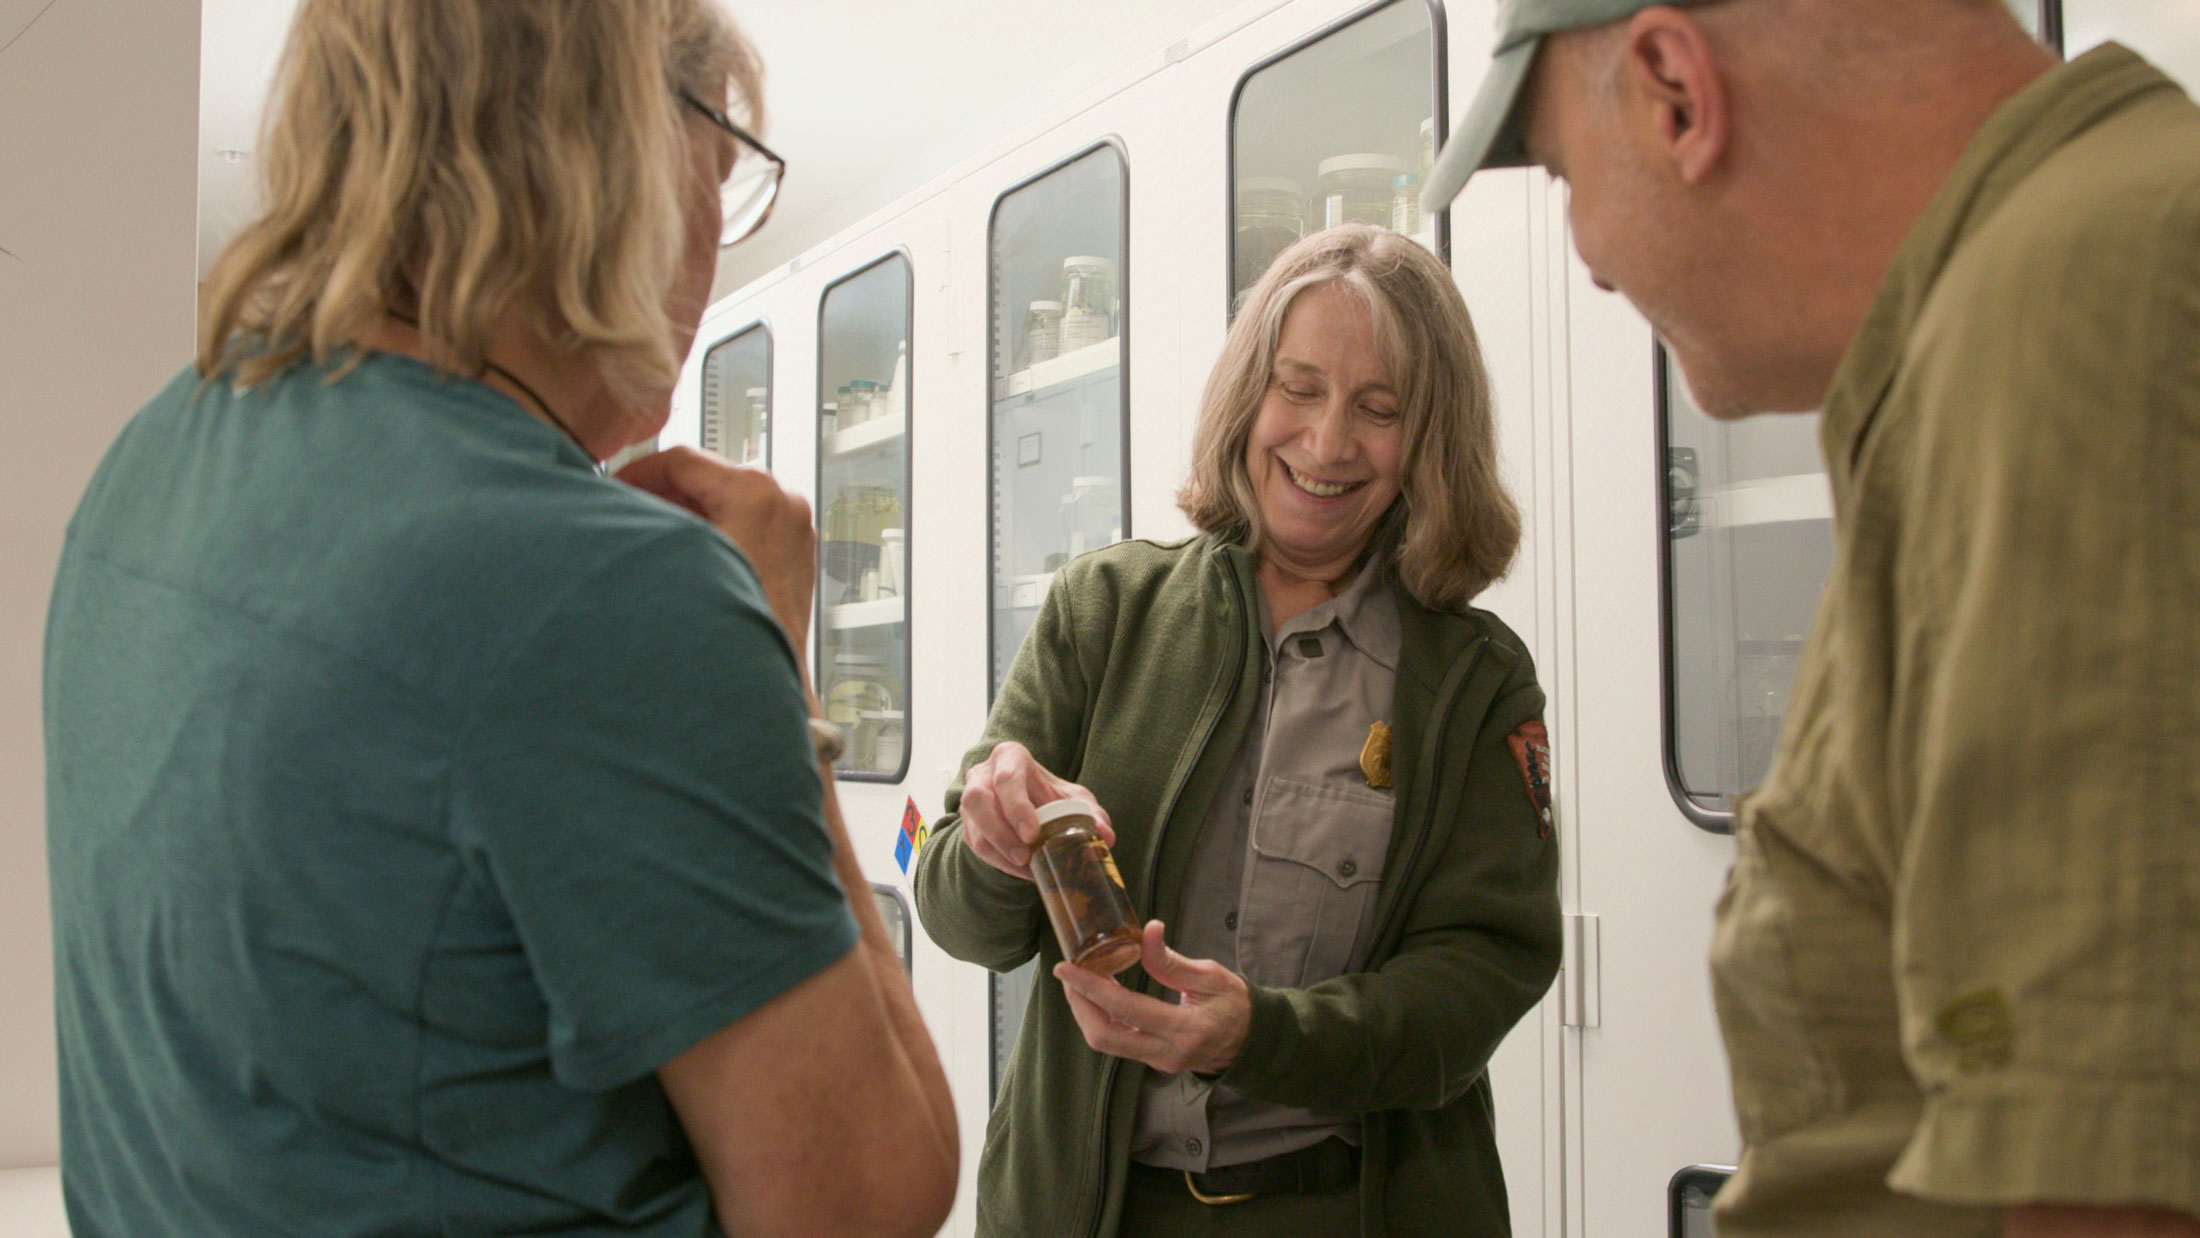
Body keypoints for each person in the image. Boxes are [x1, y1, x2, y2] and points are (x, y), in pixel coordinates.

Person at [43, 2, 956, 1235]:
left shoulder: (157, 453)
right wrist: (773, 668)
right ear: (624, 153)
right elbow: (866, 1195)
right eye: (720, 179)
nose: (711, 253)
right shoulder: (609, 594)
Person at [1423, 0, 2200, 1235]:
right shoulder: (2012, 305)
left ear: (1677, 90)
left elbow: (2114, 1172)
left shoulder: (2066, 315)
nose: (1588, 257)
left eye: (1568, 174)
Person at [914, 224, 1562, 1237]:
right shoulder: (1106, 608)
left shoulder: (1472, 678)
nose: (1327, 439)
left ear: (1428, 440)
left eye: (1379, 408)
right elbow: (960, 916)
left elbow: (1482, 975)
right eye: (1297, 387)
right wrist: (996, 844)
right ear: (1247, 394)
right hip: (1094, 1210)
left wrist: (1257, 1035)